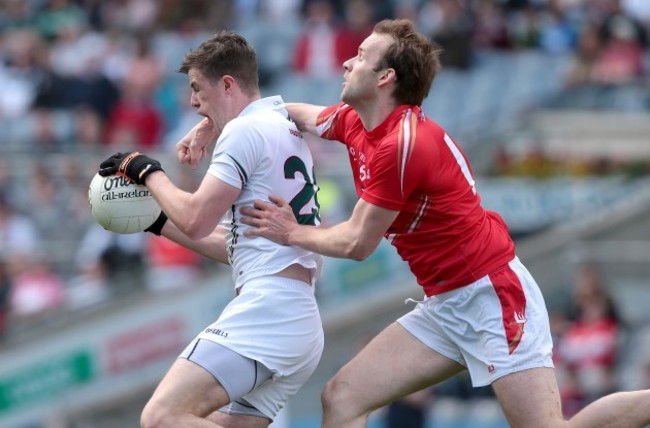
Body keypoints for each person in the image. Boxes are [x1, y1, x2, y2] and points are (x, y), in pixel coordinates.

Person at [178, 18, 650, 428]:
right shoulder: (356, 121)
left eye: (361, 56)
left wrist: (290, 232)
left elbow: (358, 242)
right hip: (444, 302)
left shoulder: (404, 144)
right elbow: (287, 113)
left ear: (385, 77)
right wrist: (213, 124)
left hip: (492, 296)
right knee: (341, 397)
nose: (347, 63)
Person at [97, 30, 324, 428]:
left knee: (161, 416)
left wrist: (145, 171)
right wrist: (155, 220)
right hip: (297, 318)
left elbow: (198, 218)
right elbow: (233, 243)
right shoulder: (278, 124)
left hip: (269, 310)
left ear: (228, 85)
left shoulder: (244, 131)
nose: (192, 102)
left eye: (197, 88)